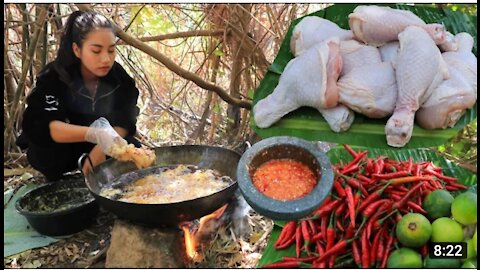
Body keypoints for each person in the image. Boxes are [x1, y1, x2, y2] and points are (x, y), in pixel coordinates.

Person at [16, 10, 141, 182]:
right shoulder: (54, 76)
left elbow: (126, 118)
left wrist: (102, 145)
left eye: (111, 50)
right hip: (64, 148)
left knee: (133, 149)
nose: (106, 59)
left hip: (98, 142)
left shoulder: (118, 77)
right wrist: (97, 134)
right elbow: (49, 127)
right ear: (77, 49)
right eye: (96, 51)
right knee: (47, 154)